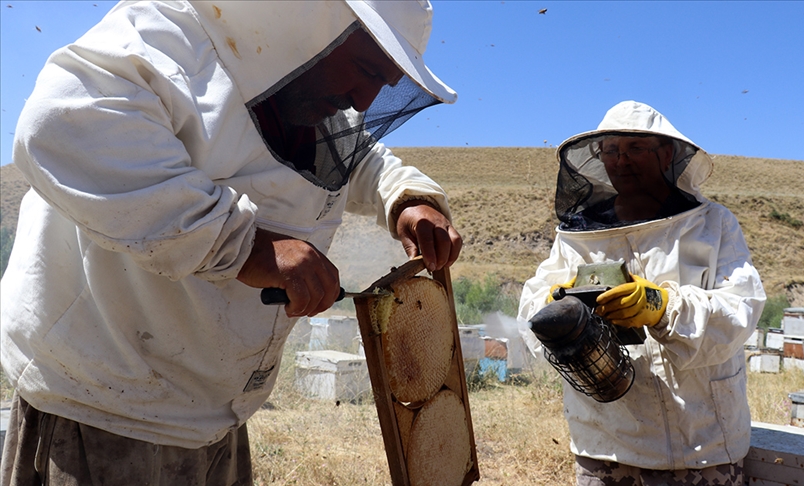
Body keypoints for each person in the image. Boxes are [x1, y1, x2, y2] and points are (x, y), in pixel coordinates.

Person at [0, 1, 462, 484]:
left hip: (215, 417)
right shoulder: (170, 35)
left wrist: (407, 198)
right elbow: (60, 124)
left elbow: (361, 157)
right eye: (365, 69)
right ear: (312, 22)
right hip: (105, 413)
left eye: (384, 84)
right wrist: (247, 246)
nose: (364, 101)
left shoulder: (314, 98)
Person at [518, 101, 766, 485]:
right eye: (611, 151)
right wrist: (561, 308)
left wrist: (662, 307)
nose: (621, 161)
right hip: (608, 446)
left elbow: (741, 309)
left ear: (666, 153)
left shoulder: (711, 225)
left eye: (635, 148)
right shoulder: (578, 239)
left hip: (704, 444)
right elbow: (532, 309)